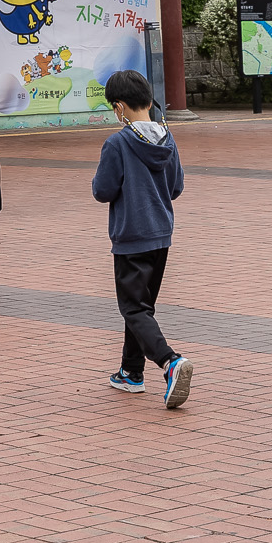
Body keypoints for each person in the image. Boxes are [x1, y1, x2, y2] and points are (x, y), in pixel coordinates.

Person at [92, 70, 194, 407]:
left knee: (134, 308)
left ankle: (170, 362)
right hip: (161, 236)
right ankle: (131, 372)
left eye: (113, 108)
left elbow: (102, 190)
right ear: (148, 101)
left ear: (120, 107)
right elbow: (176, 187)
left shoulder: (118, 143)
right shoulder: (168, 137)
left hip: (131, 237)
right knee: (140, 308)